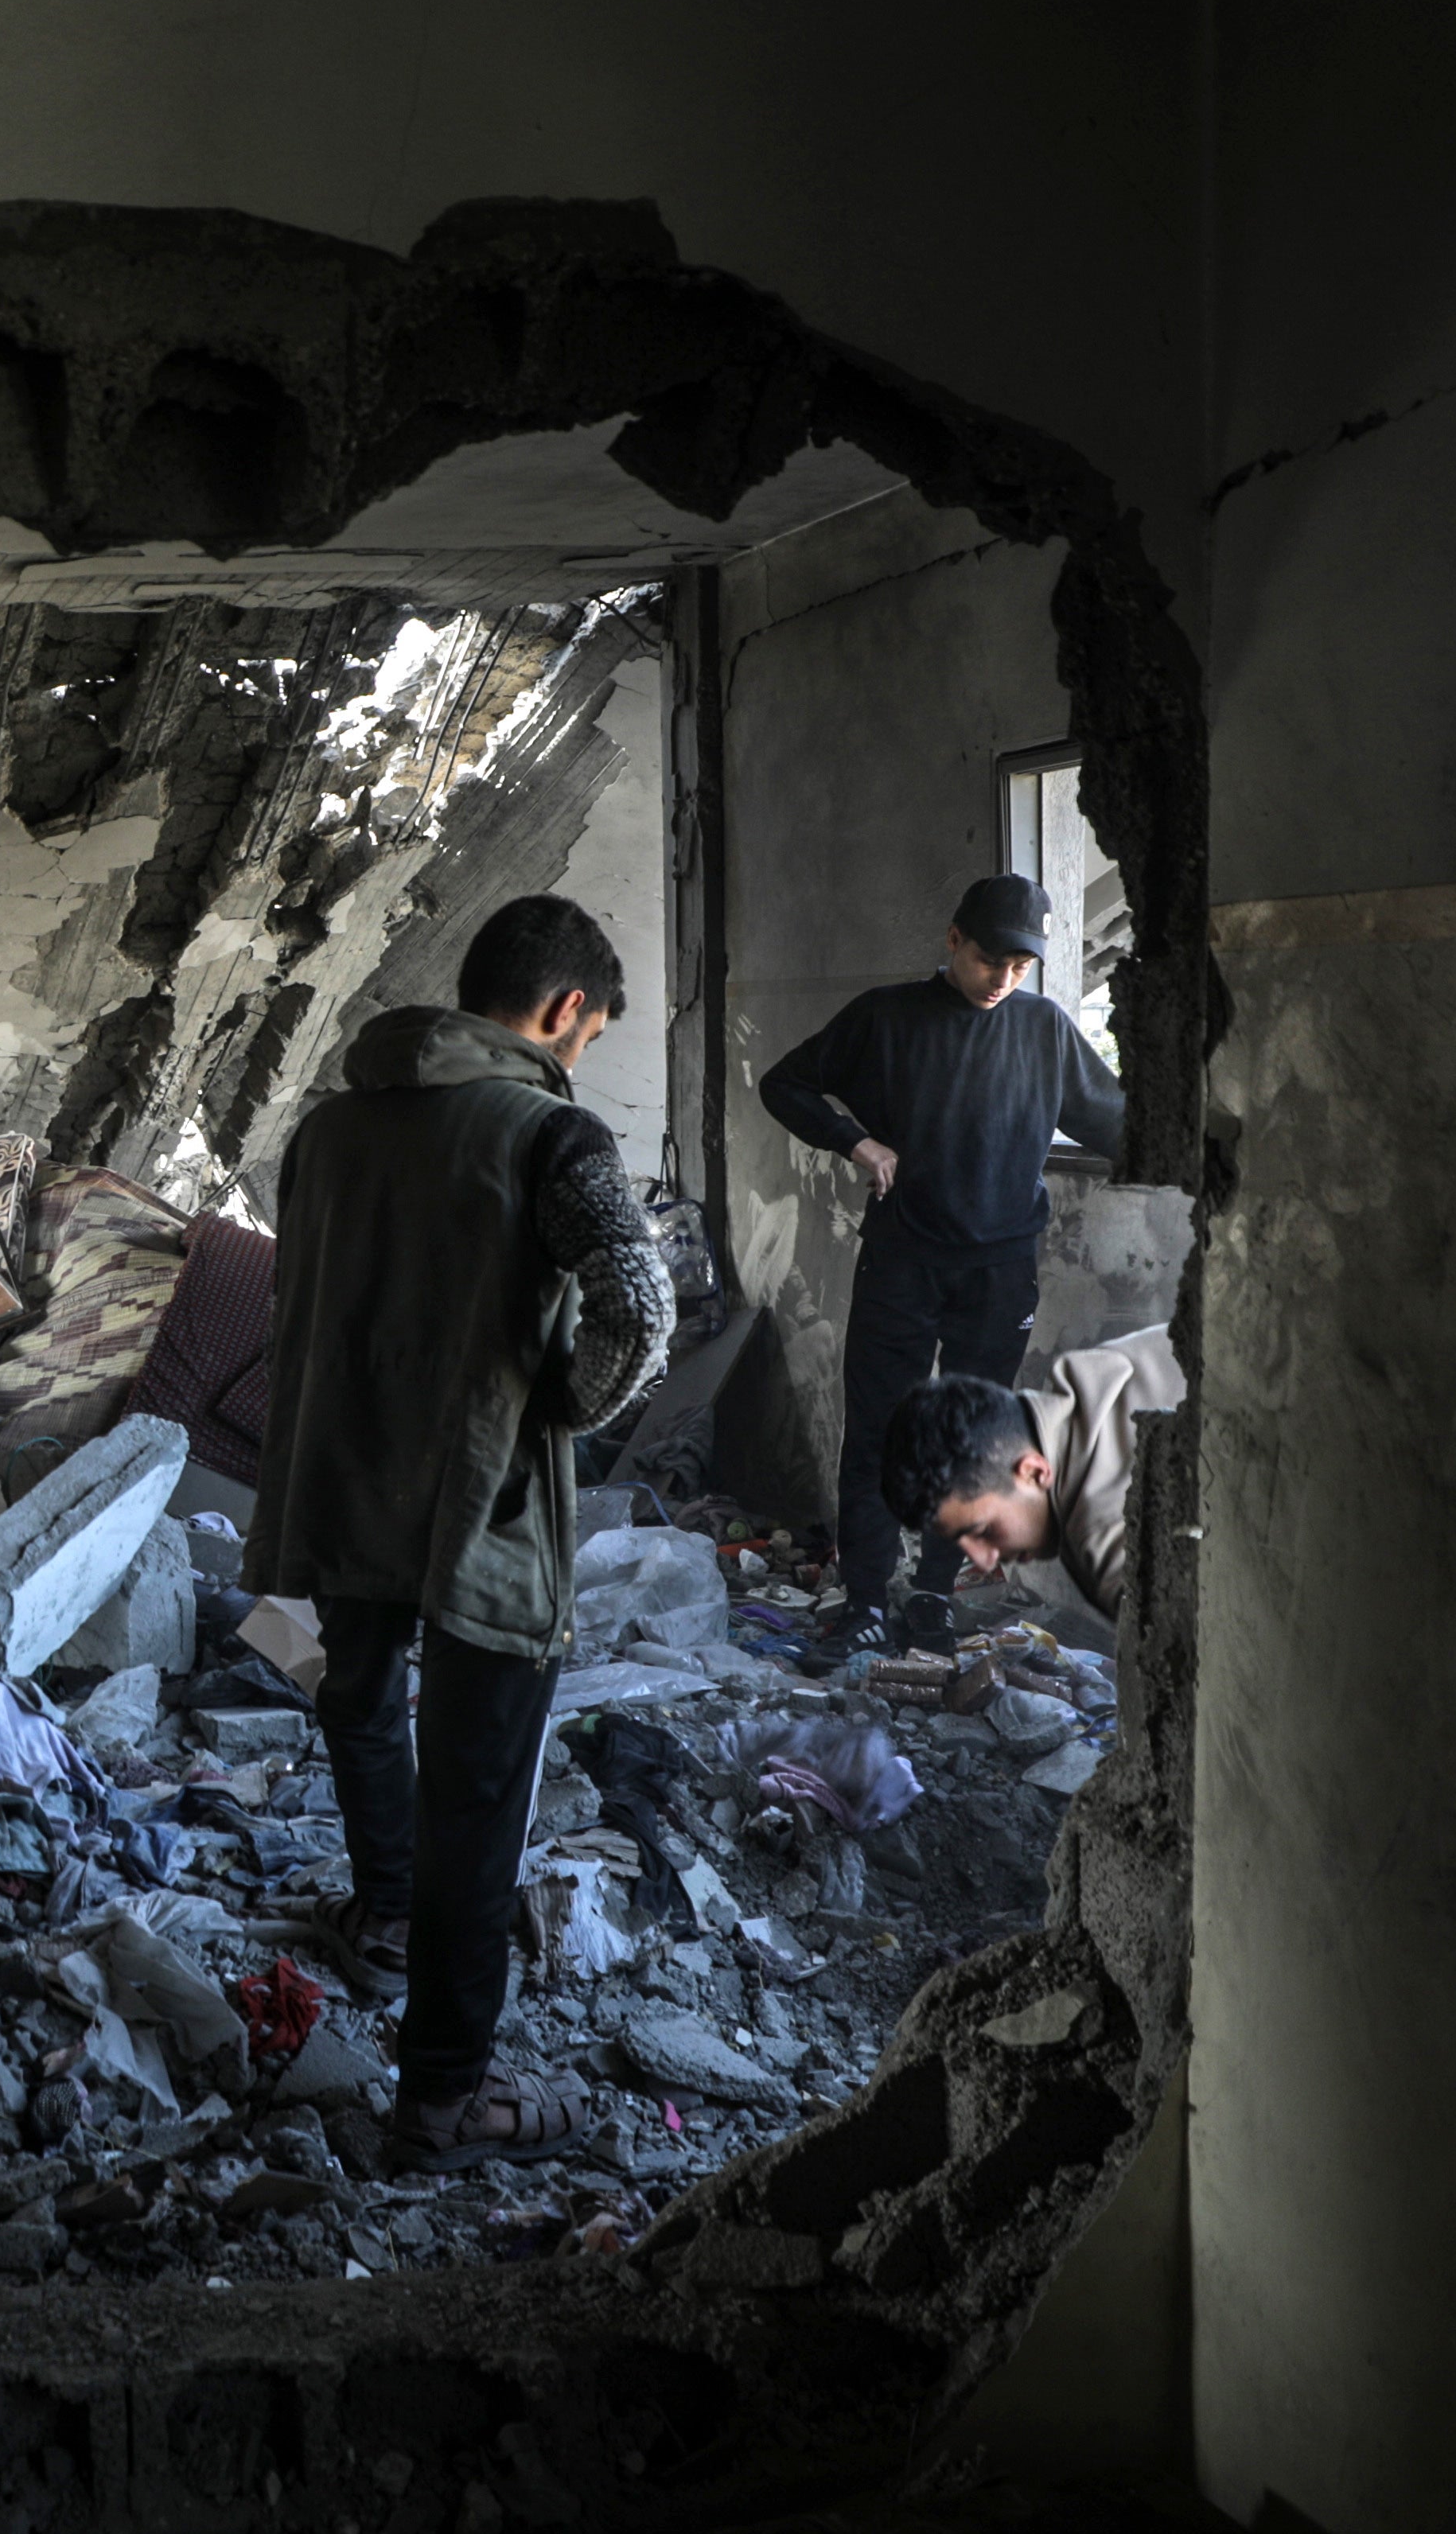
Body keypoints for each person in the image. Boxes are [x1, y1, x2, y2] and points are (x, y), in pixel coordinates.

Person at [252, 893, 673, 2174]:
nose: (579, 1053)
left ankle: (384, 1911)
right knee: (482, 1784)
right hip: (479, 1495)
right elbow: (642, 1315)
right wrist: (565, 1414)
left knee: (364, 1696)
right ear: (562, 1012)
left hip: (341, 1472)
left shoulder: (325, 1129)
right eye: (587, 1031)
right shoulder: (551, 1133)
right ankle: (440, 2102)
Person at [754, 872, 1125, 1658]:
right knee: (881, 1430)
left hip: (999, 1270)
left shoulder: (1045, 1031)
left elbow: (1118, 1122)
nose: (1004, 979)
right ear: (954, 940)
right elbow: (783, 1083)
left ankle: (931, 1597)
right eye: (992, 959)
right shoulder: (887, 1019)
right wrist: (854, 1139)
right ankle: (863, 1599)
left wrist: (1223, 1145)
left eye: (1021, 968)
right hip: (904, 1258)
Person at [882, 1329, 1187, 1623]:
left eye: (984, 1530)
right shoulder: (1099, 1370)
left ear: (1034, 1472)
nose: (985, 1561)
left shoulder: (1109, 1547)